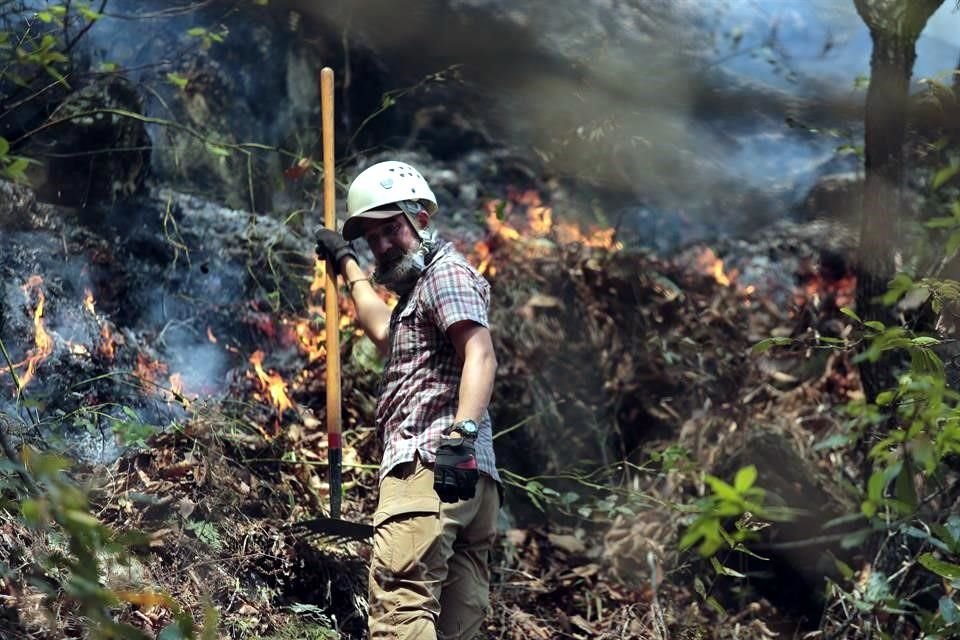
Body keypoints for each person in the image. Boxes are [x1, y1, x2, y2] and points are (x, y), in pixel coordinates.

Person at [315, 160, 501, 640]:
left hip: (431, 465)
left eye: (391, 228)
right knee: (457, 627)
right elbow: (383, 331)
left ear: (420, 217)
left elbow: (480, 354)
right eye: (371, 237)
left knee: (401, 609)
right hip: (466, 485)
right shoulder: (419, 294)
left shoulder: (445, 275)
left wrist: (460, 436)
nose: (381, 244)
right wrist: (346, 262)